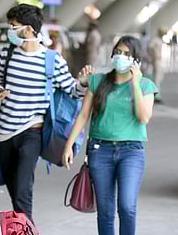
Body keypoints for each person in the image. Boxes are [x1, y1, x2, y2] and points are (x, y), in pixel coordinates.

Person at [0, 4, 92, 222]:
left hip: (32, 132)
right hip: (4, 133)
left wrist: (83, 82)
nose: (10, 30)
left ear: (28, 29)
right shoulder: (7, 54)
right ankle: (21, 225)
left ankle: (26, 228)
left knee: (23, 191)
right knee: (14, 191)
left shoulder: (52, 60)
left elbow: (73, 91)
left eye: (13, 26)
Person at [63, 36, 157, 235]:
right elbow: (83, 115)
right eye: (118, 52)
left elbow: (143, 117)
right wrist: (69, 145)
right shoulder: (97, 81)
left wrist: (135, 84)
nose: (120, 57)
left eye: (127, 54)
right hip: (100, 151)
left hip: (131, 152)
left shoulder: (145, 85)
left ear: (136, 60)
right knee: (105, 212)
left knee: (127, 206)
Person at [147, 28, 165, 103]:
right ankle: (156, 96)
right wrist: (153, 56)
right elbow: (149, 47)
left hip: (159, 60)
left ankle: (157, 95)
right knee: (156, 78)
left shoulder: (159, 39)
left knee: (159, 78)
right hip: (156, 61)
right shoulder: (155, 39)